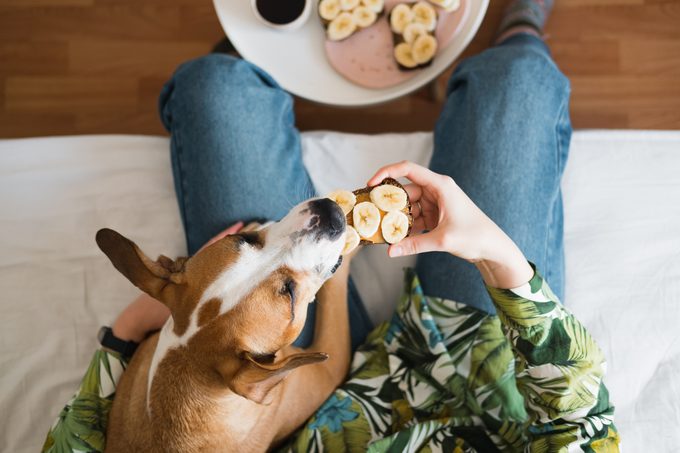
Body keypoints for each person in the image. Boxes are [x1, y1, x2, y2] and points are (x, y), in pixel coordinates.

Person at [43, 0, 620, 451]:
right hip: (484, 362)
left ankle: (257, 49)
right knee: (514, 80)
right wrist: (500, 257)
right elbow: (584, 428)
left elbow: (71, 443)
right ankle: (519, 27)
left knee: (213, 86)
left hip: (301, 384)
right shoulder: (257, 371)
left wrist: (124, 335)